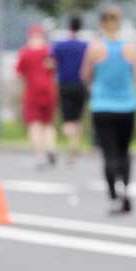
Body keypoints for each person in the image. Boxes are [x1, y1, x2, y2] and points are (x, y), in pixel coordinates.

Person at [81, 6, 136, 215]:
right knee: (124, 151)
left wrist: (93, 90)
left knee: (109, 152)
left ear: (101, 23)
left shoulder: (95, 49)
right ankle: (126, 191)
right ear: (119, 23)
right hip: (127, 107)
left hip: (102, 107)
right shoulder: (132, 49)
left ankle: (114, 195)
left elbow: (85, 76)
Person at [16, 23, 58, 169]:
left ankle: (40, 155)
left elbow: (19, 73)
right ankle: (50, 147)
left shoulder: (25, 53)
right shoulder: (48, 51)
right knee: (48, 124)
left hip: (32, 91)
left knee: (34, 125)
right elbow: (54, 68)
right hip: (49, 91)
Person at [50, 15, 89, 165]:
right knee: (77, 119)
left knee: (67, 122)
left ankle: (72, 145)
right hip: (80, 85)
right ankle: (74, 147)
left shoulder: (59, 45)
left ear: (68, 26)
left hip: (65, 85)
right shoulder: (85, 46)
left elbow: (50, 63)